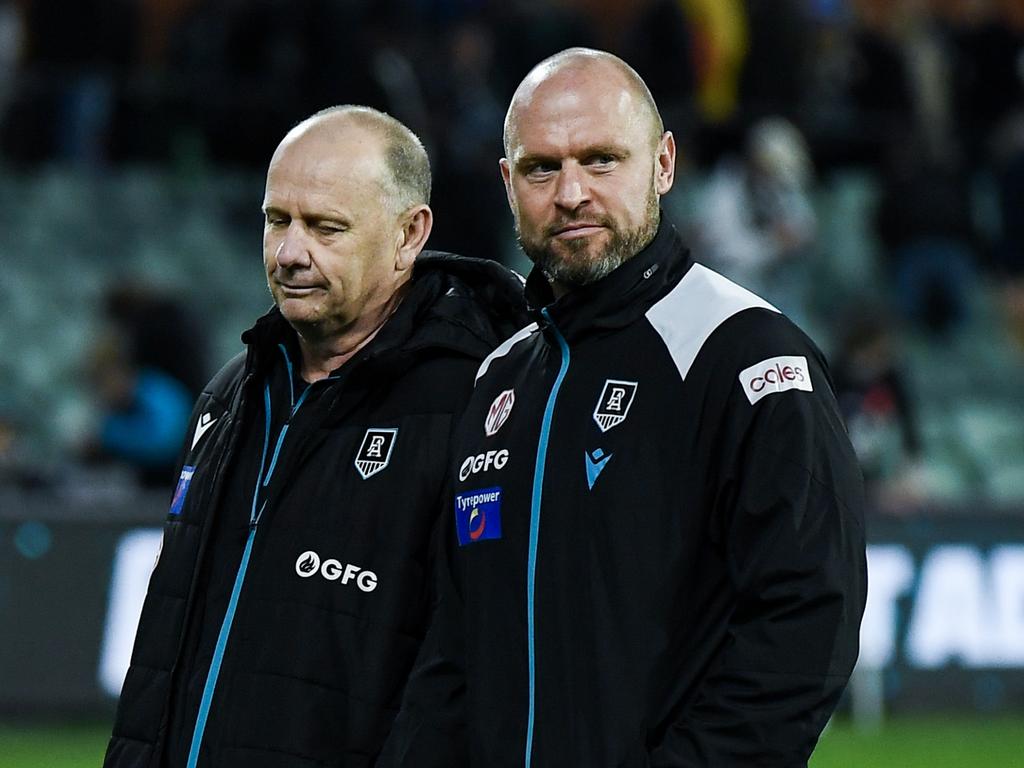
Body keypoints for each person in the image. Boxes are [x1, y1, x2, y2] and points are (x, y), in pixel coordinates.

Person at [381, 48, 867, 767]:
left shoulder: (743, 354)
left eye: (602, 159)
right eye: (542, 168)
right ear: (508, 185)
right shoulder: (499, 378)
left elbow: (804, 620)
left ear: (664, 164)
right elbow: (456, 643)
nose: (571, 192)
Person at [103, 105, 527, 767]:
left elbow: (478, 671)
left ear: (408, 234)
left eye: (326, 227)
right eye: (278, 221)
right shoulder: (230, 396)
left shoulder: (477, 407)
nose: (291, 253)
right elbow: (165, 644)